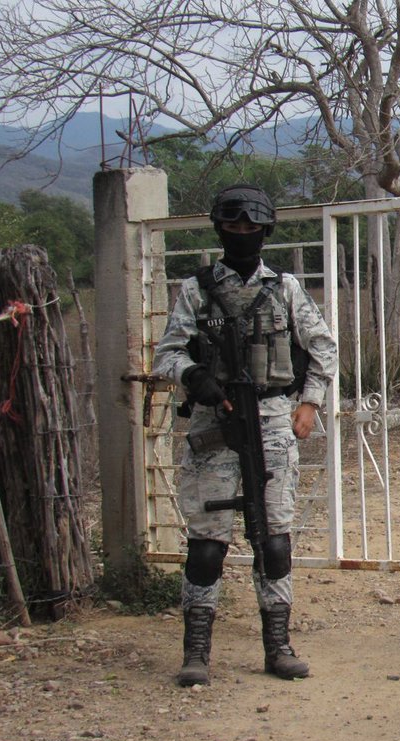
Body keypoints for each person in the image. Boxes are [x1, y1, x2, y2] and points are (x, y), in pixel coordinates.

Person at [153, 184, 337, 687]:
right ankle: (196, 654)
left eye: (250, 227)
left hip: (273, 420)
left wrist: (309, 402)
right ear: (220, 230)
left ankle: (278, 647)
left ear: (264, 231)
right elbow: (167, 354)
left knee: (273, 541)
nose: (241, 235)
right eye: (232, 227)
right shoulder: (195, 290)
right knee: (207, 546)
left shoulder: (285, 288)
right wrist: (195, 378)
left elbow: (323, 349)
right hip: (216, 423)